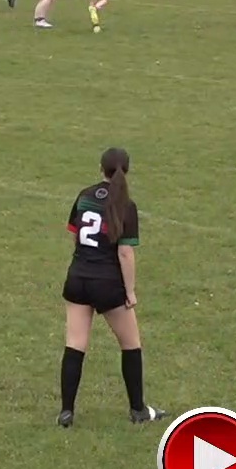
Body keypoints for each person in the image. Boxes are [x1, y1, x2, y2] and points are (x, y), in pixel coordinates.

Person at [58, 147, 167, 428]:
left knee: (75, 344)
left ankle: (66, 411)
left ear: (100, 168)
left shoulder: (84, 196)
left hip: (78, 277)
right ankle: (138, 409)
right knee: (131, 344)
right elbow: (125, 253)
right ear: (126, 171)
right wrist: (129, 291)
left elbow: (75, 236)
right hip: (107, 284)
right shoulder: (125, 206)